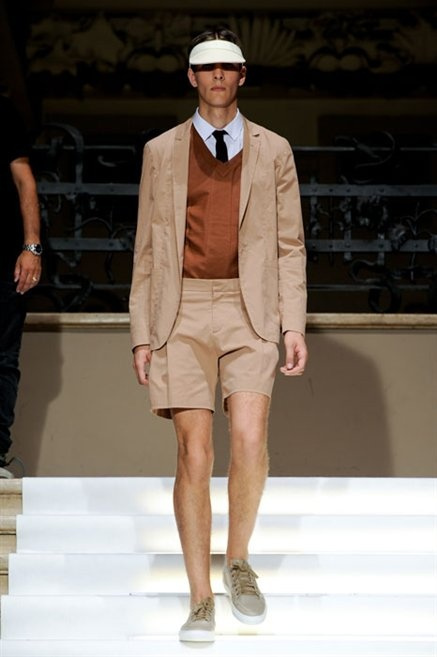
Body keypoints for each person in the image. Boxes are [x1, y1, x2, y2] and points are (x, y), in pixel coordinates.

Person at [130, 28, 307, 642]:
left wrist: (292, 322)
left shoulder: (273, 149)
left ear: (242, 75)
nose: (218, 77)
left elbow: (290, 244)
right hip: (179, 311)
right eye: (208, 68)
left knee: (251, 437)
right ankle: (200, 598)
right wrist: (141, 332)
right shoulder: (161, 151)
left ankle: (237, 562)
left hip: (249, 308)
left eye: (228, 67)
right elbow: (146, 249)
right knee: (195, 453)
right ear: (192, 76)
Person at [0, 93, 42, 479]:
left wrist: (31, 247)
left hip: (5, 261)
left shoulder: (2, 109)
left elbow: (23, 179)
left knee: (3, 358)